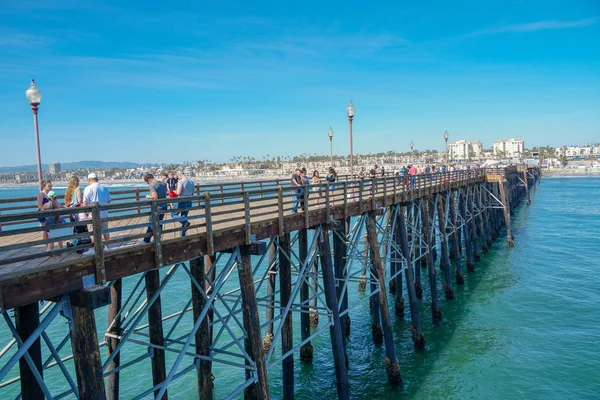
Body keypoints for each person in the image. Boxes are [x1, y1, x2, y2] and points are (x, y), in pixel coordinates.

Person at [82, 172, 112, 254]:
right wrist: (105, 209)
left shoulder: (88, 188)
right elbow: (108, 201)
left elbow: (85, 203)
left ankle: (93, 249)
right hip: (104, 213)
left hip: (93, 214)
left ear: (89, 180)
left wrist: (86, 213)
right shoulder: (104, 188)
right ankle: (108, 246)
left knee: (93, 232)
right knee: (105, 230)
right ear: (97, 179)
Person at [142, 173, 168, 243]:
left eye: (147, 182)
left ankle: (146, 240)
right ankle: (157, 239)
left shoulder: (152, 185)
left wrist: (148, 196)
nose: (148, 183)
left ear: (149, 180)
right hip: (164, 205)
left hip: (157, 206)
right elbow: (165, 193)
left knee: (151, 223)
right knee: (160, 222)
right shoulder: (163, 183)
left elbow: (155, 197)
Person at [171, 171, 194, 236]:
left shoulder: (181, 182)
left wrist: (173, 191)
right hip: (189, 200)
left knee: (173, 214)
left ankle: (185, 222)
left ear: (180, 175)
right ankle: (182, 234)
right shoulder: (191, 182)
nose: (177, 178)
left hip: (181, 200)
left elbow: (178, 192)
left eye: (178, 177)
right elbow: (192, 193)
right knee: (184, 216)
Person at [37, 180, 53, 246]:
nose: (50, 187)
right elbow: (40, 206)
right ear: (44, 186)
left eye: (51, 186)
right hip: (42, 214)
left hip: (50, 214)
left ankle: (50, 245)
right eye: (49, 186)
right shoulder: (41, 194)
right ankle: (47, 245)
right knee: (45, 230)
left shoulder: (51, 194)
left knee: (51, 230)